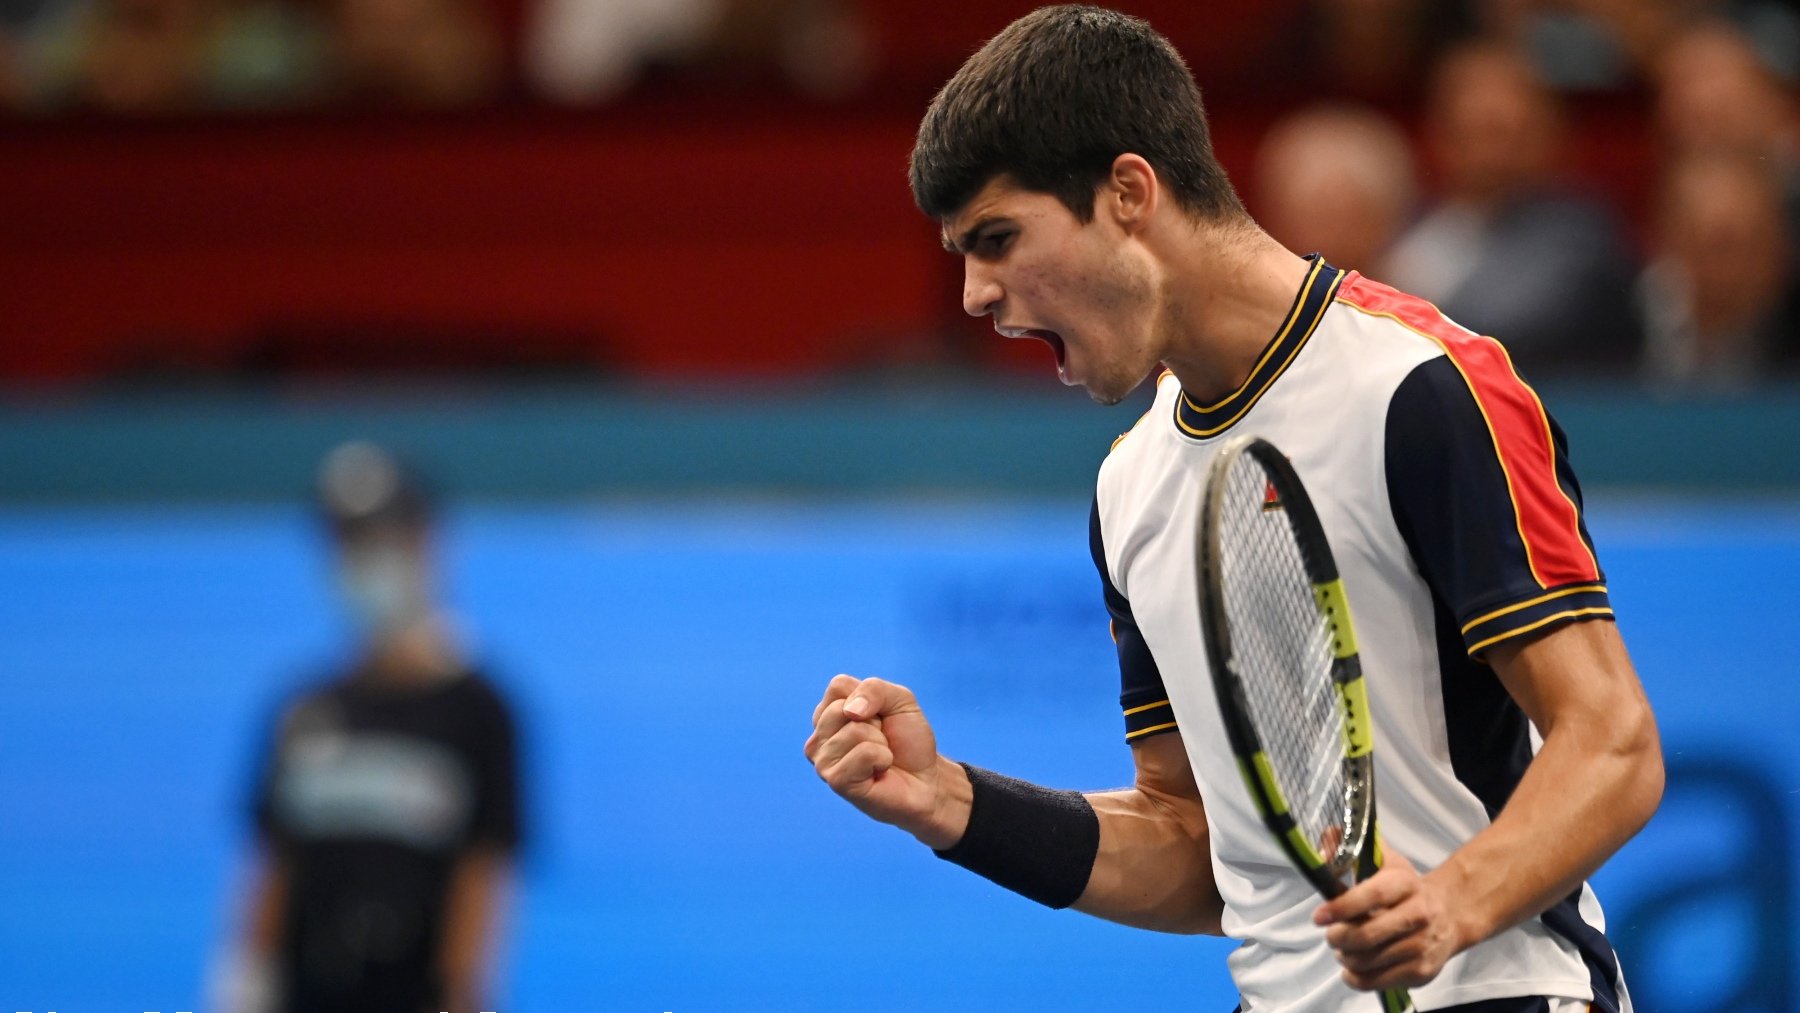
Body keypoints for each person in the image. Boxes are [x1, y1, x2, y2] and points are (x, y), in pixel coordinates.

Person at [803, 7, 1662, 1012]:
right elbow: (1201, 847)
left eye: (997, 237)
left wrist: (1449, 903)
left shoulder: (1423, 388)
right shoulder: (1129, 486)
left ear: (1128, 192)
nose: (974, 295)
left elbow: (1612, 741)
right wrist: (950, 799)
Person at [222, 441, 523, 1013]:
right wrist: (241, 984)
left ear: (427, 543)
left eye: (379, 539)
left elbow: (482, 873)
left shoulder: (478, 710)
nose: (362, 561)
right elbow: (271, 864)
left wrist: (462, 995)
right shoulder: (302, 708)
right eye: (345, 543)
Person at [1382, 40, 1640, 380]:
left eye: (1504, 134)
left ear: (1547, 135)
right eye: (1472, 134)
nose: (1489, 157)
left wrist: (1400, 318)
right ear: (1441, 136)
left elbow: (1510, 327)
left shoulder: (1579, 233)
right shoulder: (1417, 227)